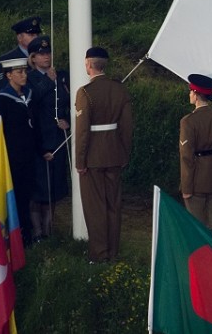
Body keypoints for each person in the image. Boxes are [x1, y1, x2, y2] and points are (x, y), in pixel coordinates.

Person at [74, 46, 133, 263]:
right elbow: (127, 127)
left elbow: (82, 132)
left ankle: (99, 254)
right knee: (113, 205)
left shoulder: (85, 92)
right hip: (114, 154)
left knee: (95, 206)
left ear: (88, 65)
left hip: (93, 157)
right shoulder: (120, 90)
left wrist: (80, 161)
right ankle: (113, 250)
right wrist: (124, 153)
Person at [179, 74, 212, 238]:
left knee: (196, 223)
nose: (189, 95)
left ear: (195, 94)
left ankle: (200, 257)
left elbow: (187, 156)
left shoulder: (188, 121)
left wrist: (186, 187)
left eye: (190, 92)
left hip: (196, 177)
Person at [27, 35, 70, 240]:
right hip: (39, 139)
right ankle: (37, 230)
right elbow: (31, 100)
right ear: (33, 58)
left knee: (55, 185)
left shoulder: (62, 76)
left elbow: (70, 101)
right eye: (41, 54)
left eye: (48, 53)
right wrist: (47, 81)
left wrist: (67, 120)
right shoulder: (30, 77)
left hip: (58, 139)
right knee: (38, 188)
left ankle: (49, 227)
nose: (46, 57)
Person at [0, 57, 37, 245]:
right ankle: (16, 235)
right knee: (15, 195)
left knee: (27, 195)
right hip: (11, 155)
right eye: (19, 72)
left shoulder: (28, 95)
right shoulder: (2, 99)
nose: (24, 75)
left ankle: (27, 232)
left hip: (29, 154)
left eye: (25, 71)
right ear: (9, 75)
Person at [0, 16, 41, 101]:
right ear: (19, 38)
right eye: (31, 35)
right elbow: (0, 92)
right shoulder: (5, 61)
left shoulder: (44, 58)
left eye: (37, 35)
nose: (36, 38)